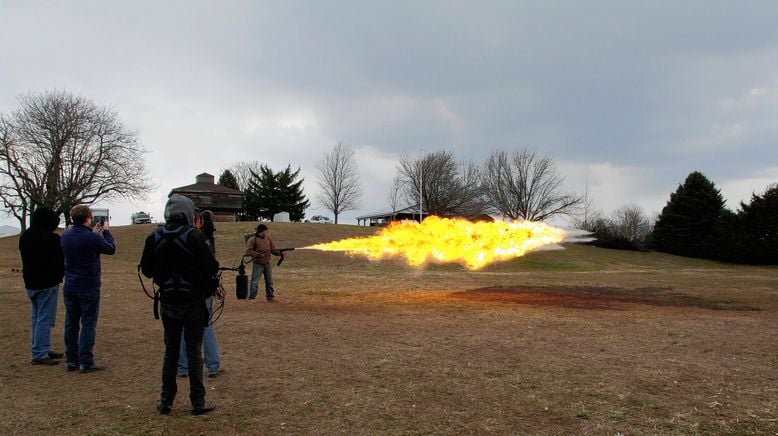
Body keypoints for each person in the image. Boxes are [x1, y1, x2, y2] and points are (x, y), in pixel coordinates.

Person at [140, 194, 218, 415]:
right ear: (189, 213)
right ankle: (198, 402)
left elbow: (147, 269)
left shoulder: (154, 236)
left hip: (169, 301)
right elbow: (210, 267)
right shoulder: (194, 236)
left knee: (171, 351)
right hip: (193, 301)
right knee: (194, 352)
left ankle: (166, 401)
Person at [60, 205, 116, 373]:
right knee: (88, 323)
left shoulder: (65, 236)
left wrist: (94, 234)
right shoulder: (92, 238)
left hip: (70, 284)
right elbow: (110, 249)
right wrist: (105, 232)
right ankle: (86, 360)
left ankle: (71, 359)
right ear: (87, 218)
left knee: (71, 323)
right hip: (88, 285)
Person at [178, 210, 223, 379]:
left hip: (182, 291)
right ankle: (212, 366)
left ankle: (183, 367)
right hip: (199, 291)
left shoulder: (177, 237)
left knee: (183, 328)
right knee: (205, 326)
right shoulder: (199, 239)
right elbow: (211, 266)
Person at [19, 207, 65, 365]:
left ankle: (41, 347)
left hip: (31, 282)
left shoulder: (25, 236)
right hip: (47, 282)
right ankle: (39, 353)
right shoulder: (51, 239)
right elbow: (60, 258)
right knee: (45, 319)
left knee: (37, 318)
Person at [245, 224, 284, 301]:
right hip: (258, 264)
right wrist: (258, 255)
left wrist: (280, 253)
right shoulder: (252, 240)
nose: (267, 232)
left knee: (269, 281)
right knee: (255, 282)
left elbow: (273, 250)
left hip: (267, 263)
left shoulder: (268, 239)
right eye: (266, 231)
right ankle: (252, 297)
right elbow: (248, 251)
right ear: (262, 231)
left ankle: (270, 297)